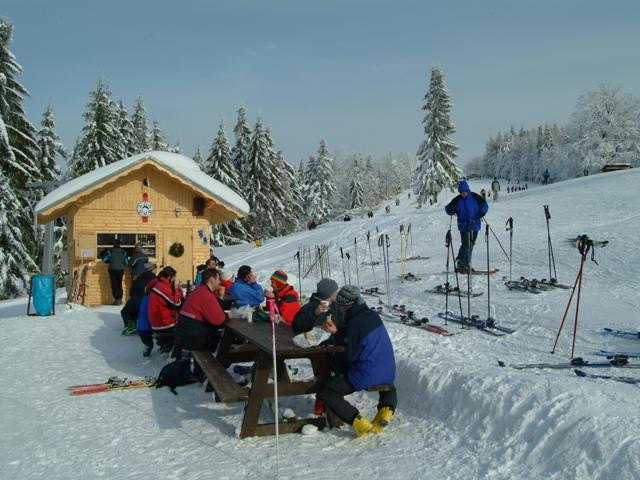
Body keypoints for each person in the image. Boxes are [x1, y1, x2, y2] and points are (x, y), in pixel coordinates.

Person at [314, 286, 397, 437]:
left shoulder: (355, 322)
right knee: (388, 386)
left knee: (327, 392)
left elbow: (350, 355)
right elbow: (355, 337)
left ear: (345, 304)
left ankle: (359, 422)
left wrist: (335, 357)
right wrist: (338, 333)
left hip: (367, 373)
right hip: (388, 370)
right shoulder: (371, 315)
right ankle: (387, 410)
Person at [176, 268, 227, 352]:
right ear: (212, 280)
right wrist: (228, 316)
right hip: (194, 338)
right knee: (222, 340)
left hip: (184, 333)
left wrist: (220, 297)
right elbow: (218, 320)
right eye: (218, 279)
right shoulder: (205, 294)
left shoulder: (199, 290)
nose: (220, 282)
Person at [445, 180, 489, 274]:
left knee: (471, 244)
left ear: (467, 190)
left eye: (464, 191)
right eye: (461, 192)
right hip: (464, 225)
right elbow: (447, 209)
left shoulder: (475, 196)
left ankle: (466, 263)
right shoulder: (457, 199)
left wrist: (482, 211)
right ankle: (461, 262)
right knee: (466, 244)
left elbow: (485, 205)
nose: (463, 194)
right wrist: (451, 211)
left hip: (475, 224)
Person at [148, 266, 184, 352]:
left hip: (157, 322)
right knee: (187, 326)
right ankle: (176, 351)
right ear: (169, 277)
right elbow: (177, 303)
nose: (175, 280)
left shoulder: (160, 284)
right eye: (174, 278)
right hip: (163, 324)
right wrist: (178, 290)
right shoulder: (162, 287)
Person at [121, 262, 157, 334]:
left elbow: (131, 292)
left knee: (125, 311)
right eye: (156, 268)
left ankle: (131, 324)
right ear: (153, 269)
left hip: (135, 302)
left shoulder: (138, 279)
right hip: (148, 304)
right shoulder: (156, 280)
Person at [101, 238, 129, 305]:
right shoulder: (123, 251)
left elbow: (104, 259)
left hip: (112, 269)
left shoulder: (110, 251)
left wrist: (110, 262)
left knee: (114, 284)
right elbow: (126, 262)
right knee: (119, 284)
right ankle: (120, 298)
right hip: (120, 269)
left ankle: (116, 299)